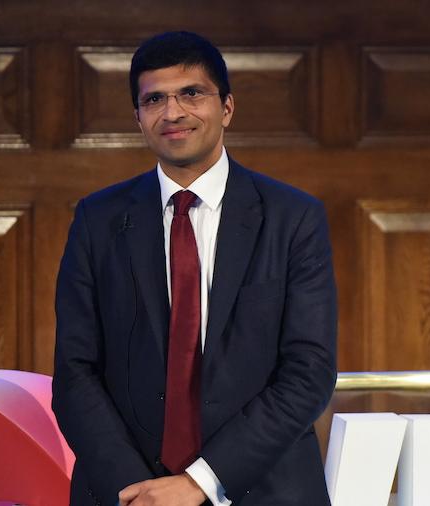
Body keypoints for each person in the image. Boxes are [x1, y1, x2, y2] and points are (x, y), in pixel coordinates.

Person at [52, 31, 337, 506]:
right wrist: (139, 493)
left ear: (226, 108)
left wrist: (198, 483)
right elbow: (74, 373)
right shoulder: (96, 220)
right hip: (127, 491)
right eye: (154, 99)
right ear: (138, 117)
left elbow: (309, 372)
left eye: (191, 93)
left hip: (262, 488)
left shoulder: (293, 218)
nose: (173, 112)